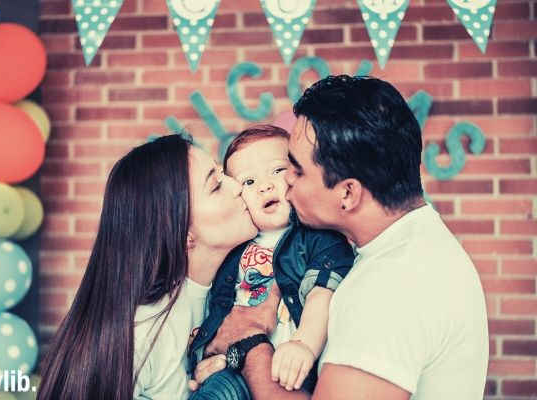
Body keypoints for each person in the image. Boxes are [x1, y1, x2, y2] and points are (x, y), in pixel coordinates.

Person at [192, 75, 489, 400]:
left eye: (296, 170)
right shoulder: (416, 242)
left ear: (348, 193)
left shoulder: (388, 289)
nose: (286, 181)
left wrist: (248, 343)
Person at [36, 134, 258, 400]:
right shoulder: (139, 332)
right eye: (215, 185)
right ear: (182, 231)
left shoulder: (246, 278)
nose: (237, 186)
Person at [187, 125, 354, 395]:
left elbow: (322, 295)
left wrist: (304, 344)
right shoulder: (233, 247)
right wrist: (205, 358)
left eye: (277, 171)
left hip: (291, 368)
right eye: (248, 182)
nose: (265, 186)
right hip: (233, 368)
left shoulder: (316, 238)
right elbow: (218, 312)